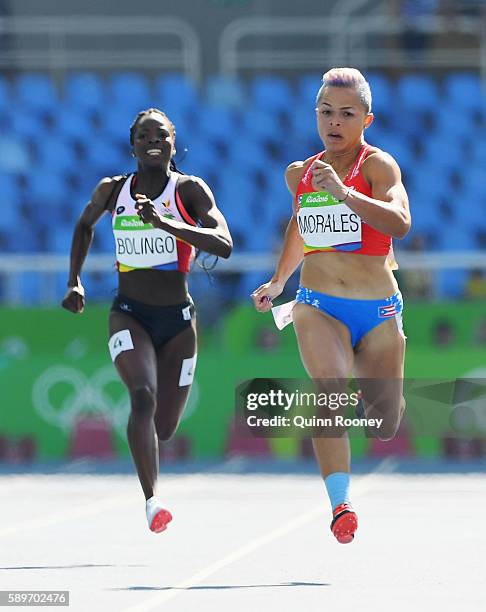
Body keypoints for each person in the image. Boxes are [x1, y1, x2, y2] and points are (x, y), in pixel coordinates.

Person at [252, 68, 411, 544]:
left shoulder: (379, 167)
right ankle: (340, 504)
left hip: (378, 309)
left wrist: (345, 193)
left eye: (346, 114)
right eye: (326, 112)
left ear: (367, 119)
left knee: (384, 425)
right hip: (318, 303)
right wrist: (280, 280)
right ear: (315, 116)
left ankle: (381, 394)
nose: (334, 122)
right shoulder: (300, 174)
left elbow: (400, 222)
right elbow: (302, 227)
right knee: (328, 392)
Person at [62, 108, 232, 533]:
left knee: (165, 427)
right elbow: (84, 227)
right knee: (142, 395)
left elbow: (224, 243)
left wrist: (167, 223)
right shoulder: (112, 190)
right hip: (129, 315)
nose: (152, 140)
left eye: (161, 135)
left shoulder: (188, 190)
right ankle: (153, 501)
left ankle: (151, 470)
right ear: (132, 143)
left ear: (174, 143)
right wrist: (75, 282)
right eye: (144, 135)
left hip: (178, 324)